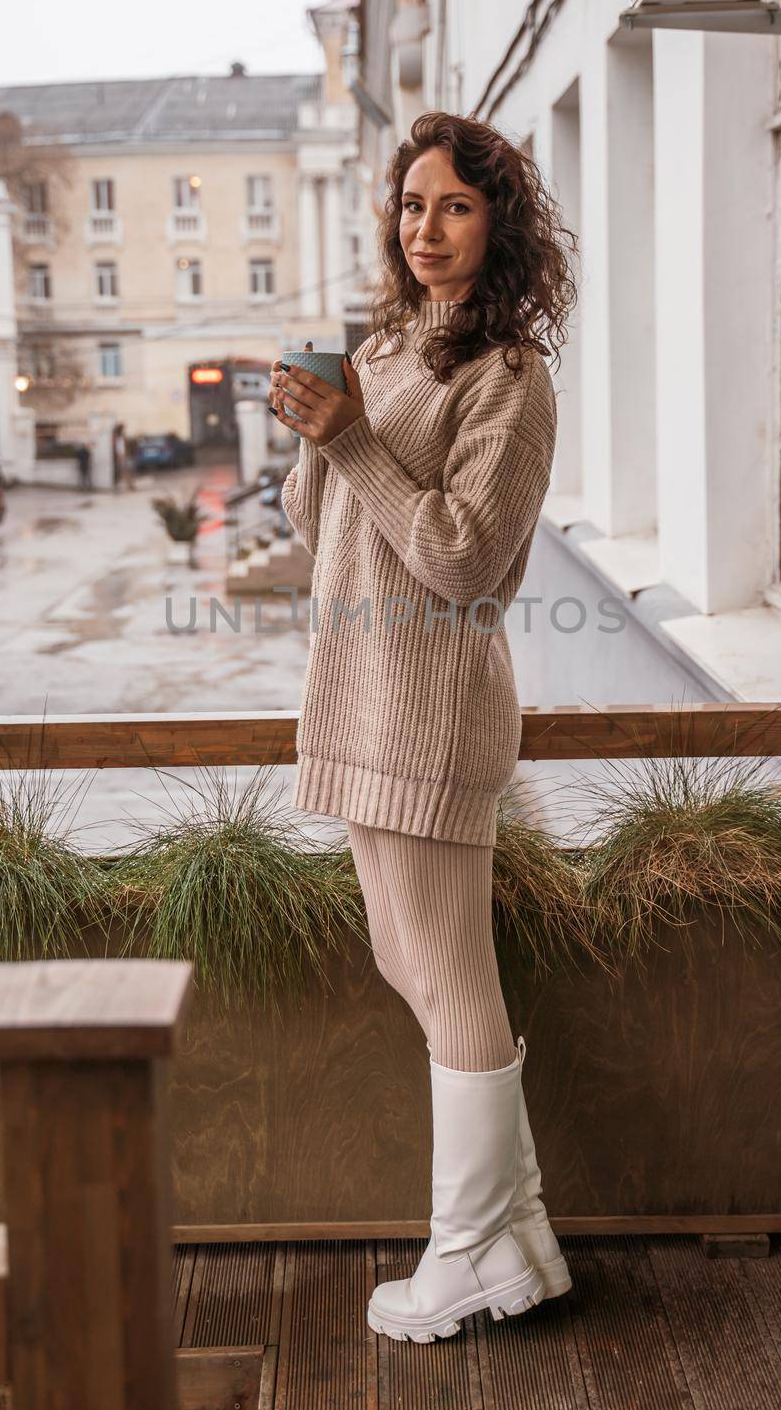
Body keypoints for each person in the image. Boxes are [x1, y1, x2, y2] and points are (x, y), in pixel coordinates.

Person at [269, 112, 578, 1344]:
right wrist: (316, 427)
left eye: (453, 204)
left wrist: (351, 438)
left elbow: (459, 558)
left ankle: (461, 1252)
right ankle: (517, 1234)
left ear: (497, 222)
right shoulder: (391, 349)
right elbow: (319, 528)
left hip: (431, 708)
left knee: (451, 981)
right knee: (417, 968)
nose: (426, 227)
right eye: (410, 206)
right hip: (355, 701)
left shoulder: (509, 375)